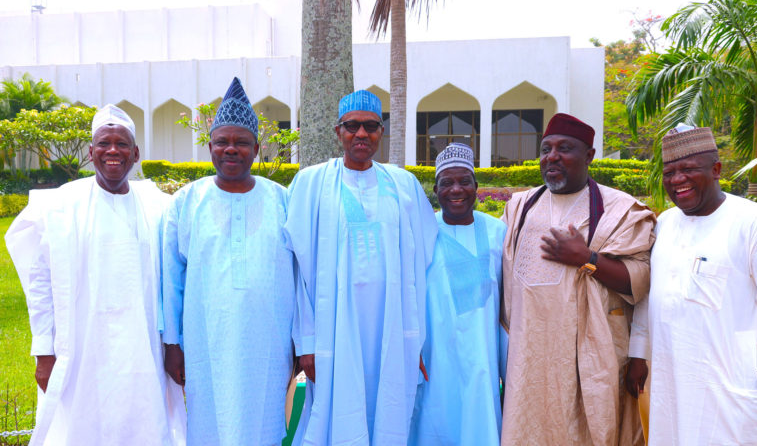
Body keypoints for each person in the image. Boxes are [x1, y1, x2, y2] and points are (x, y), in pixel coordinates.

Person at [5, 104, 186, 446]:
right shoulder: (60, 206)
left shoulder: (158, 206)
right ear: (90, 153)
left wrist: (174, 345)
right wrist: (44, 351)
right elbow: (39, 281)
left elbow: (176, 280)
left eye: (121, 144)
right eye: (104, 143)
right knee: (81, 426)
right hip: (82, 345)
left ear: (135, 154)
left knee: (144, 423)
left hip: (142, 346)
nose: (112, 151)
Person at [626, 124, 757, 445]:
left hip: (732, 381)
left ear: (716, 169)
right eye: (669, 172)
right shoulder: (664, 224)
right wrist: (638, 353)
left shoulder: (756, 223)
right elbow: (651, 296)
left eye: (689, 169)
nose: (677, 180)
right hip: (670, 378)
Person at [284, 90, 438, 445]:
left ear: (381, 132)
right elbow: (297, 271)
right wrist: (306, 342)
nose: (361, 134)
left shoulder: (404, 185)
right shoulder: (311, 184)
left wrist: (413, 337)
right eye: (352, 126)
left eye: (370, 126)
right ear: (338, 132)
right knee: (337, 413)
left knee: (388, 409)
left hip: (391, 323)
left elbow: (422, 263)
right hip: (333, 329)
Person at [500, 113, 656, 446]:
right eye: (546, 149)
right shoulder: (519, 207)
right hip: (529, 355)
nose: (551, 156)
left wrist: (586, 258)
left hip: (589, 355)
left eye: (564, 148)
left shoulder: (621, 209)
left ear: (589, 156)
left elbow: (640, 279)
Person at [161, 77, 295, 446]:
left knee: (267, 422)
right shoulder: (187, 202)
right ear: (209, 146)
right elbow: (171, 279)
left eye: (241, 142)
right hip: (207, 342)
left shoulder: (283, 201)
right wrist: (172, 344)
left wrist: (303, 340)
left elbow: (301, 279)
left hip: (270, 341)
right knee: (210, 425)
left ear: (257, 148)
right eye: (223, 142)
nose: (231, 149)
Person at [408, 143, 507, 446]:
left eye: (464, 181)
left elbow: (509, 304)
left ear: (476, 186)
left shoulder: (497, 232)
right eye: (446, 183)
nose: (456, 189)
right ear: (435, 190)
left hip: (483, 356)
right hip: (434, 358)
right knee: (433, 422)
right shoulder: (421, 232)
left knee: (480, 422)